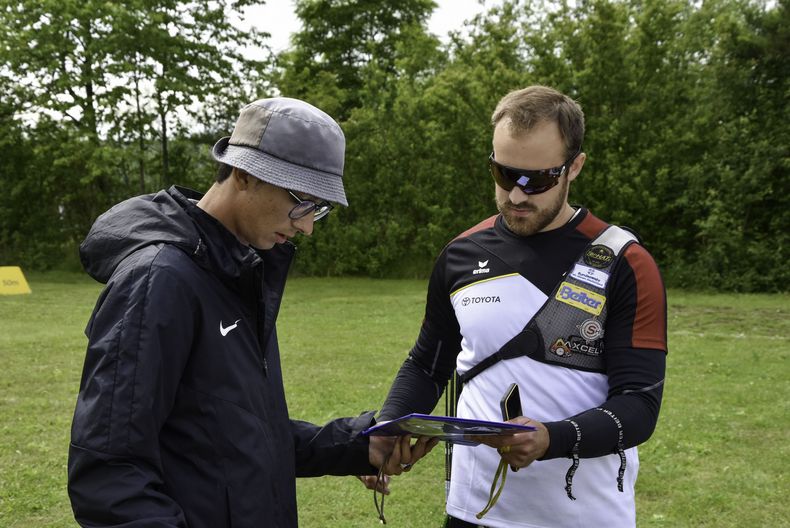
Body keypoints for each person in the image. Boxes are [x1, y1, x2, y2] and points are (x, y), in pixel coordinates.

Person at [67, 97, 434, 528]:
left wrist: (356, 445)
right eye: (302, 201)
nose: (308, 225)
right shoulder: (159, 280)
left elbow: (238, 432)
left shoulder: (238, 272)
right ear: (243, 174)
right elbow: (109, 471)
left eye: (319, 207)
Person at [372, 85, 667, 528]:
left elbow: (638, 406)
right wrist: (387, 428)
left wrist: (551, 439)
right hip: (472, 511)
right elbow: (427, 364)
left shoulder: (624, 262)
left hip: (584, 516)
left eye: (539, 179)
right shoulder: (461, 254)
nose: (516, 195)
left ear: (575, 168)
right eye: (504, 174)